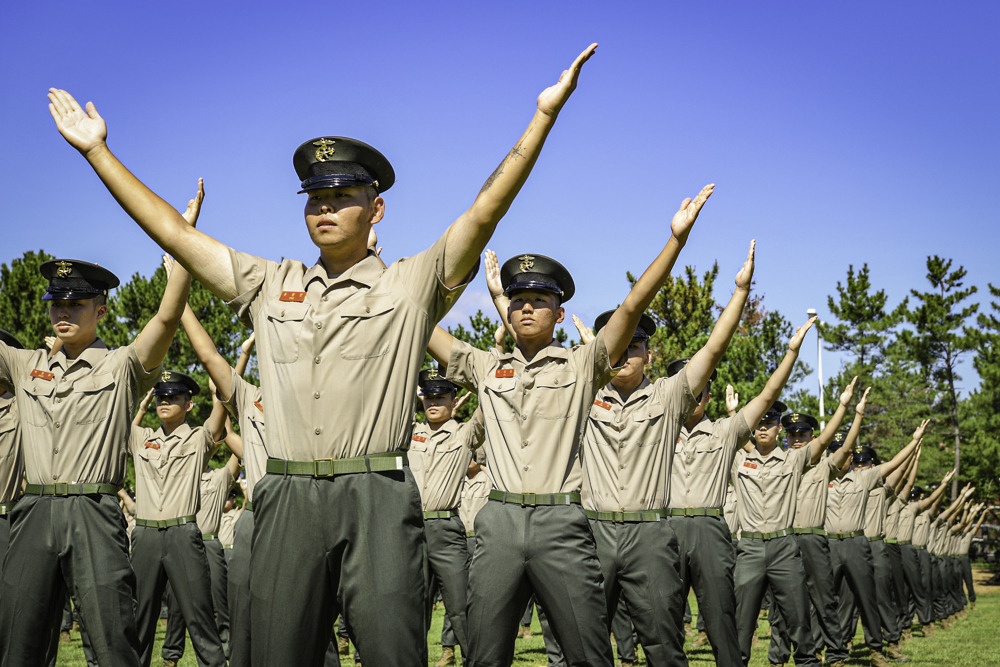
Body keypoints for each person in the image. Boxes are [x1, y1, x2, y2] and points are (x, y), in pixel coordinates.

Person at [50, 43, 597, 666]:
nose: (326, 208)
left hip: (378, 496)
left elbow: (484, 211)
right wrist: (98, 152)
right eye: (315, 198)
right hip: (285, 497)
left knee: (393, 653)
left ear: (376, 209)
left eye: (342, 197)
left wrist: (543, 118)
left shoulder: (411, 284)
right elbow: (176, 235)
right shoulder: (267, 281)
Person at [430, 180, 715, 666]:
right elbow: (416, 320)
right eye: (518, 299)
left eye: (539, 300)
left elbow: (631, 308)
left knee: (587, 653)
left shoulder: (583, 366)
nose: (525, 306)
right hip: (496, 522)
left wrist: (676, 242)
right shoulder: (485, 366)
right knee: (485, 653)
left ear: (560, 314)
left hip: (561, 522)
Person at [0, 245, 193, 665]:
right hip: (32, 510)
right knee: (17, 638)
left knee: (111, 637)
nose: (63, 313)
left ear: (101, 311)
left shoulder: (121, 366)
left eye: (76, 304)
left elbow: (165, 319)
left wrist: (182, 253)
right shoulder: (22, 364)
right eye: (56, 304)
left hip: (94, 508)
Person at [572, 239, 755, 667]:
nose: (624, 354)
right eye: (617, 345)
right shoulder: (582, 393)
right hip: (594, 532)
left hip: (650, 535)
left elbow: (712, 349)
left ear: (649, 355)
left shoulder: (668, 397)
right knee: (583, 642)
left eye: (634, 346)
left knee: (664, 644)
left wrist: (741, 292)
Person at [727, 318, 822, 667]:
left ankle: (808, 662)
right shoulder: (738, 458)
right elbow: (733, 435)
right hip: (749, 547)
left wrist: (847, 410)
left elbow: (824, 443)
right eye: (759, 423)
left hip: (784, 546)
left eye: (769, 422)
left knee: (798, 617)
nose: (763, 427)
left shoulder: (794, 459)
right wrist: (735, 413)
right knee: (741, 621)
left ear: (779, 428)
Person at [128, 367, 229, 667]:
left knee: (199, 619)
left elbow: (217, 421)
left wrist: (217, 393)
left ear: (189, 404)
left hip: (182, 535)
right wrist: (141, 406)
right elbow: (120, 423)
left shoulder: (198, 439)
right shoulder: (142, 438)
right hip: (145, 536)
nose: (164, 401)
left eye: (173, 397)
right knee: (139, 622)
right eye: (160, 396)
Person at [763, 383, 862, 666]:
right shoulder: (779, 462)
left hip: (814, 540)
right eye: (792, 434)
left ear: (812, 436)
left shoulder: (825, 465)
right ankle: (778, 658)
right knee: (783, 606)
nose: (796, 439)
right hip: (785, 541)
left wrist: (853, 413)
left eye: (802, 434)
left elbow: (845, 446)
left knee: (825, 601)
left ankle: (836, 654)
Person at [823, 418, 923, 667]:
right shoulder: (822, 479)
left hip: (866, 544)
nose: (856, 465)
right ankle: (837, 649)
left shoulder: (871, 482)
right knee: (840, 603)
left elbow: (896, 469)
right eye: (835, 453)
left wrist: (914, 444)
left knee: (874, 599)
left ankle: (882, 647)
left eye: (861, 462)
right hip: (834, 545)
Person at [409, 368, 484, 665]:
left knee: (460, 607)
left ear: (454, 399)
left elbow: (491, 400)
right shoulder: (409, 432)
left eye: (441, 396)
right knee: (412, 608)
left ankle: (473, 660)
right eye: (428, 396)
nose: (433, 402)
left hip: (446, 529)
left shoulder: (465, 434)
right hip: (411, 529)